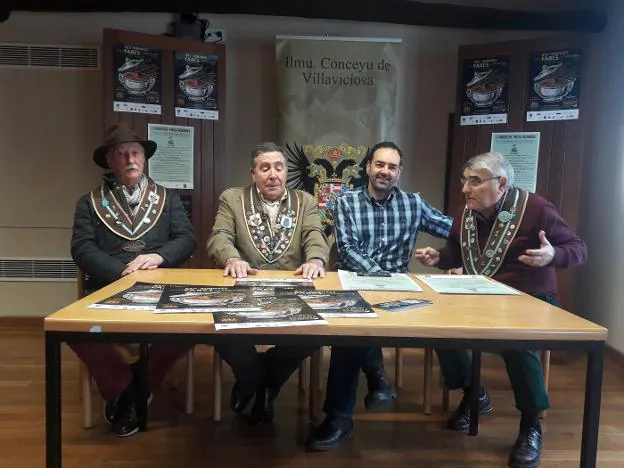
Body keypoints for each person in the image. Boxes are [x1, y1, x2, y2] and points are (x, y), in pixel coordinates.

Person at [414, 152, 587, 468]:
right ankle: (473, 393)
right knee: (436, 326)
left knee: (515, 342)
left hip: (530, 299)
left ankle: (531, 425)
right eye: (464, 181)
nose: (466, 189)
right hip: (479, 298)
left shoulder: (536, 209)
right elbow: (456, 252)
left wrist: (552, 255)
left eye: (475, 181)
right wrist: (438, 257)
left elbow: (578, 250)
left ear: (502, 183)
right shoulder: (467, 213)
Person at [306, 141, 453, 451]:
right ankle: (348, 407)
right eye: (380, 165)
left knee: (440, 321)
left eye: (392, 166)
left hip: (399, 289)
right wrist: (382, 279)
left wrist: (444, 255)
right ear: (367, 167)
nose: (385, 171)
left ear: (399, 172)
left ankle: (349, 408)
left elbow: (452, 230)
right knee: (351, 333)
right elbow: (348, 249)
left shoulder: (414, 203)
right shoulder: (346, 202)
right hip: (354, 282)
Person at [69, 123, 197, 437]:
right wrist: (121, 272)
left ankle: (130, 391)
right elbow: (82, 248)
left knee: (189, 329)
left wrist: (158, 257)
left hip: (161, 288)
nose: (130, 159)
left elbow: (187, 239)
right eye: (122, 154)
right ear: (110, 162)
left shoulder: (168, 199)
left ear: (144, 158)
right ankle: (130, 389)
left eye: (135, 153)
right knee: (76, 332)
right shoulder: (88, 202)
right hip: (107, 286)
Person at [206, 142, 329, 425]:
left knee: (314, 334)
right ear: (253, 174)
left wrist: (316, 261)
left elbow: (315, 235)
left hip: (291, 292)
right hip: (244, 289)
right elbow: (219, 237)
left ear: (286, 172)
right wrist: (231, 258)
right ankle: (256, 383)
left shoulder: (305, 201)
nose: (272, 174)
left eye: (279, 167)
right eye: (265, 168)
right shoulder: (233, 199)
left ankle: (260, 384)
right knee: (220, 331)